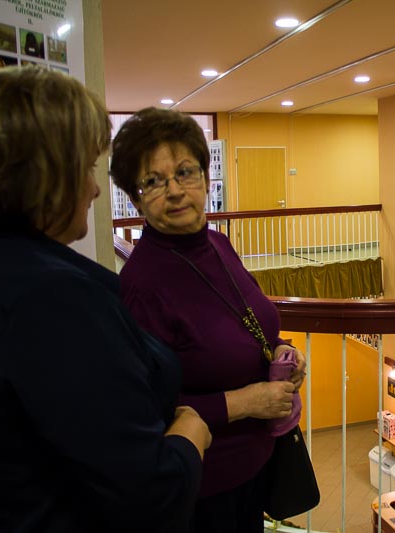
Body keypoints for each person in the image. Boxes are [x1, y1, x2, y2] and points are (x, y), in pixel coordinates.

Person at [0, 68, 211, 532]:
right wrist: (190, 434)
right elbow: (150, 491)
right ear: (44, 175)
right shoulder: (50, 298)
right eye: (84, 168)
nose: (94, 188)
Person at [110, 107, 307, 532]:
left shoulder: (219, 244)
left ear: (206, 177)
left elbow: (245, 322)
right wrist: (247, 402)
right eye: (153, 181)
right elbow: (147, 409)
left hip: (256, 467)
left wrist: (280, 350)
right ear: (134, 198)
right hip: (204, 487)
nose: (175, 191)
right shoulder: (141, 286)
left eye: (185, 172)